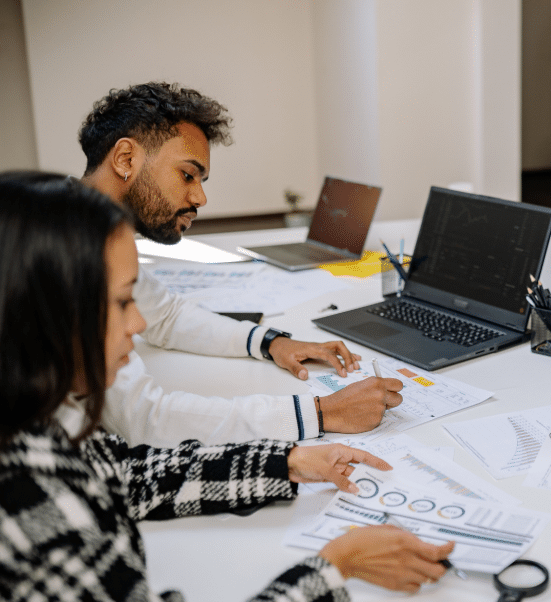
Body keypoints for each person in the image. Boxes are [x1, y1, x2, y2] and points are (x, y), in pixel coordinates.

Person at [0, 172, 455, 600]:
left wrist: (285, 463)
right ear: (41, 315)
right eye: (121, 302)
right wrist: (336, 566)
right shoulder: (34, 505)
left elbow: (128, 476)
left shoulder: (40, 417)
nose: (137, 324)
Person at [78, 81, 404, 446]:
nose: (200, 197)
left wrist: (269, 342)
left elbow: (165, 316)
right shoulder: (69, 254)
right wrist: (321, 413)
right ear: (125, 159)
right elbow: (145, 420)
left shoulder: (92, 230)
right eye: (187, 174)